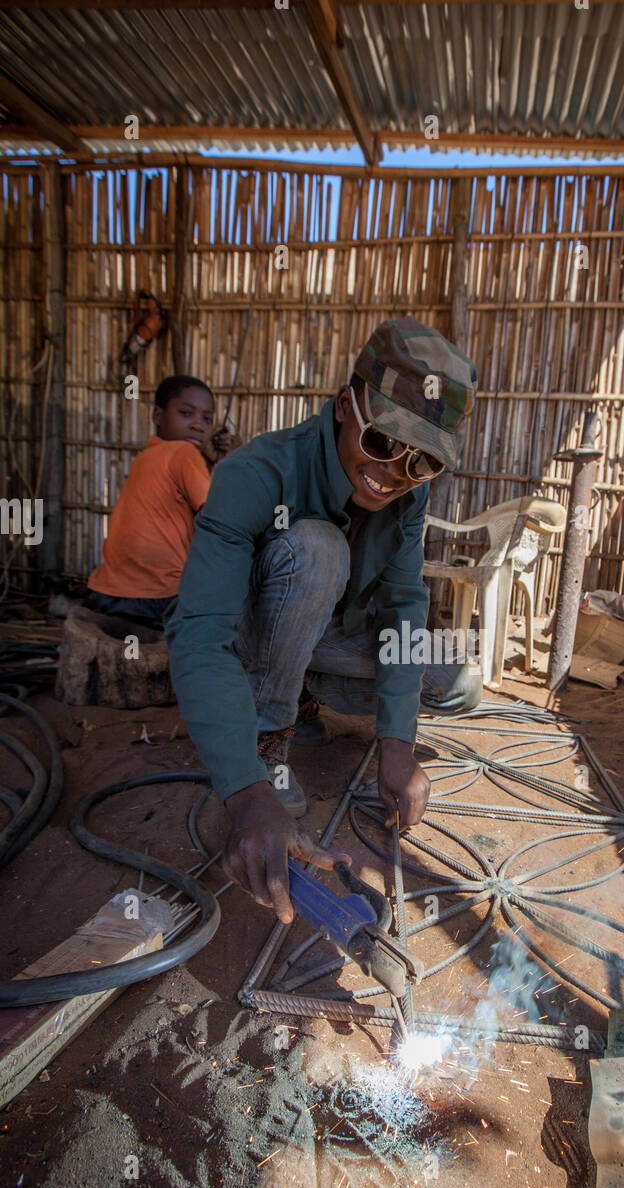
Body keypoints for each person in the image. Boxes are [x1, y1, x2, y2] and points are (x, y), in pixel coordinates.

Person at [165, 316, 483, 924]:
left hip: (327, 640)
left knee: (456, 682)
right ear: (345, 406)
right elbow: (200, 632)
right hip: (253, 635)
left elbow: (403, 611)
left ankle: (306, 697)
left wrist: (396, 744)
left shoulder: (408, 498)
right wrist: (246, 790)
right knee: (317, 548)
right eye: (385, 442)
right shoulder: (258, 474)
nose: (395, 472)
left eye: (421, 463)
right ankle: (269, 736)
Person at [87, 375, 233, 625]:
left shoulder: (147, 456)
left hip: (107, 593)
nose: (198, 425)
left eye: (207, 419)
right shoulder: (184, 452)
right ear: (157, 416)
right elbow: (216, 516)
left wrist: (209, 460)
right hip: (159, 597)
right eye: (186, 413)